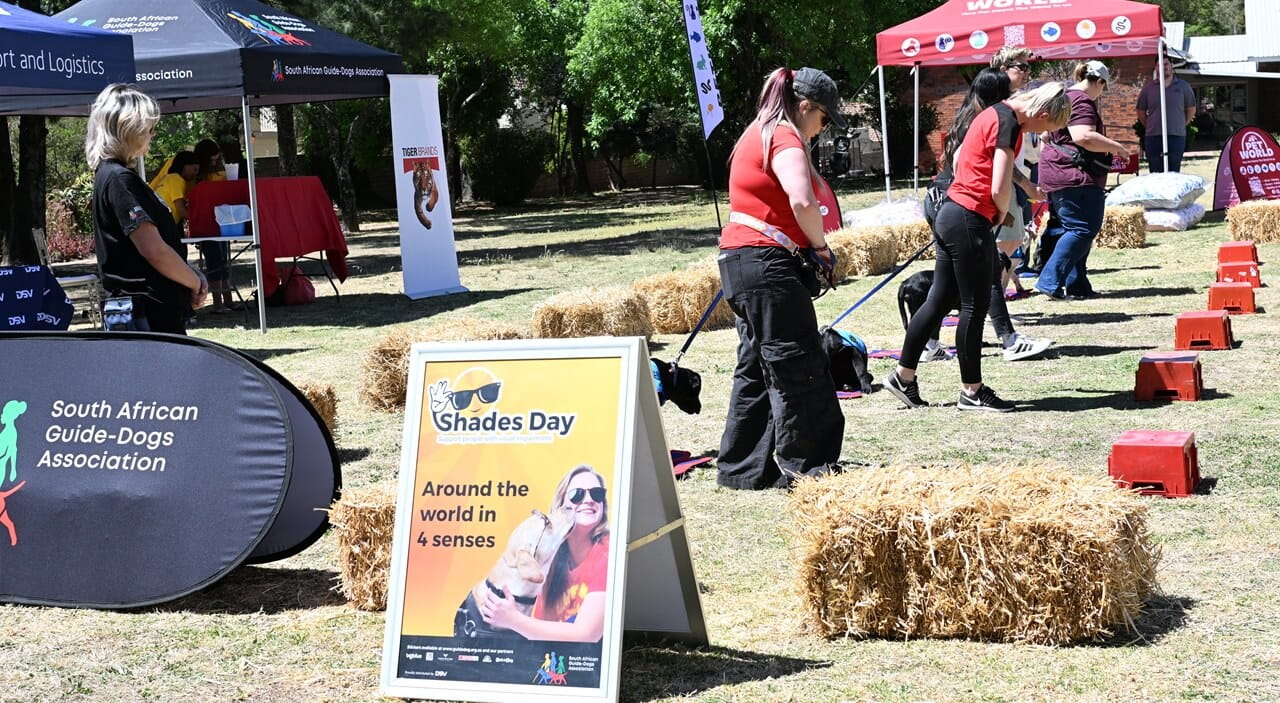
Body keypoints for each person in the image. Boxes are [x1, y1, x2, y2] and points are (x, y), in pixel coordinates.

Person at [887, 82, 1071, 412]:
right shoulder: (1010, 123)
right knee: (975, 305)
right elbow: (1000, 180)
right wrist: (1000, 212)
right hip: (970, 218)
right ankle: (972, 392)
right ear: (1041, 114)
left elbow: (958, 160)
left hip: (951, 211)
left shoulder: (994, 112)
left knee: (939, 300)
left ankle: (904, 376)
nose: (1041, 136)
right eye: (1046, 128)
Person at [714, 67, 846, 489]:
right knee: (799, 364)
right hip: (766, 264)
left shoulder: (756, 131)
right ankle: (810, 468)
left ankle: (741, 469)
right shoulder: (785, 136)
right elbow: (802, 199)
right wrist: (821, 248)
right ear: (805, 106)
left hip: (739, 260)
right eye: (824, 119)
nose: (822, 130)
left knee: (755, 366)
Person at [923, 68, 1052, 364]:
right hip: (957, 204)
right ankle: (1007, 341)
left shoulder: (980, 116)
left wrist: (1024, 188)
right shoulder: (990, 119)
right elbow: (977, 167)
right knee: (982, 279)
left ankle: (923, 350)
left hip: (956, 203)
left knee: (951, 287)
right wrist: (998, 208)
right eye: (1008, 91)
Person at [87, 84, 207, 334]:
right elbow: (155, 251)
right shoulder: (119, 180)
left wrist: (188, 274)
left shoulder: (113, 176)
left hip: (146, 312)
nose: (153, 134)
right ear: (127, 129)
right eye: (148, 128)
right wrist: (195, 282)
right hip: (147, 316)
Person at [479, 465, 610, 642]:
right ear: (562, 505)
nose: (588, 500)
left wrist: (513, 620)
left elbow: (587, 634)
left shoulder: (608, 552)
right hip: (546, 657)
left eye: (597, 494)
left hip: (586, 661)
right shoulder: (548, 553)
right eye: (577, 494)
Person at [1035, 61, 1130, 301]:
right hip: (1075, 176)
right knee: (1082, 228)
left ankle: (1077, 285)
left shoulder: (1062, 96)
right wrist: (1117, 147)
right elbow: (1083, 136)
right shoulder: (1082, 101)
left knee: (1072, 229)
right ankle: (1049, 281)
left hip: (1056, 173)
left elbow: (1045, 134)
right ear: (1099, 82)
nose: (1101, 93)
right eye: (1103, 88)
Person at [191, 139, 242, 313]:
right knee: (214, 263)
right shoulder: (196, 177)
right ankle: (218, 303)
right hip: (206, 226)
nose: (214, 163)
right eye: (211, 160)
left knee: (223, 262)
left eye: (216, 160)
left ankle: (228, 300)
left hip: (222, 223)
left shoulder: (220, 173)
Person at [1136, 56, 1196, 173]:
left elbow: (1191, 109)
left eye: (1166, 64)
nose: (1164, 67)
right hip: (1154, 137)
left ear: (1171, 66)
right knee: (1155, 173)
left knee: (1174, 173)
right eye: (1160, 65)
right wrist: (1149, 126)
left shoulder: (1183, 86)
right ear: (1155, 68)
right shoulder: (1148, 88)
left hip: (1176, 136)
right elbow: (1140, 111)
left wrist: (1181, 124)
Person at [151, 151, 199, 226]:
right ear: (185, 166)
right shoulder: (177, 179)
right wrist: (200, 219)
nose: (195, 174)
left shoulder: (168, 178)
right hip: (164, 225)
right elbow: (182, 211)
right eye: (195, 169)